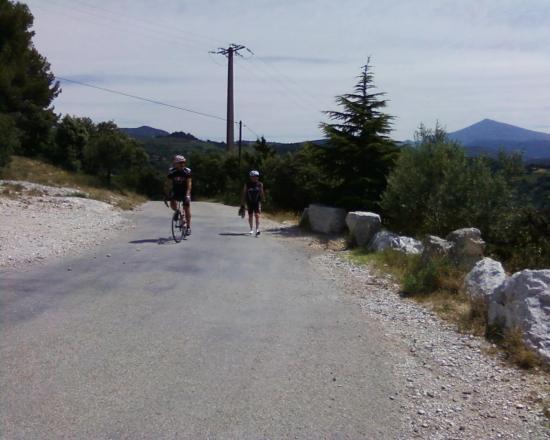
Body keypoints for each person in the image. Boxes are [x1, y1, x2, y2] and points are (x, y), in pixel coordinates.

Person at [167, 154, 192, 235]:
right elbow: (169, 183)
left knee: (186, 208)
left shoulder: (187, 171)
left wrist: (188, 195)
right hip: (176, 191)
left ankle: (188, 227)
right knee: (172, 204)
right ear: (175, 164)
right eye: (180, 163)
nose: (182, 164)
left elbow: (189, 184)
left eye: (183, 162)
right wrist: (168, 193)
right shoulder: (172, 171)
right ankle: (179, 213)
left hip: (185, 191)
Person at [241, 170, 265, 236]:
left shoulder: (260, 184)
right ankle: (251, 229)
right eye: (253, 176)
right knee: (250, 215)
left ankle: (257, 229)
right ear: (250, 177)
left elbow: (261, 193)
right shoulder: (247, 184)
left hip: (257, 202)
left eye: (256, 176)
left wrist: (263, 200)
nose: (255, 177)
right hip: (249, 202)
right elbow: (244, 193)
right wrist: (242, 203)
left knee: (257, 216)